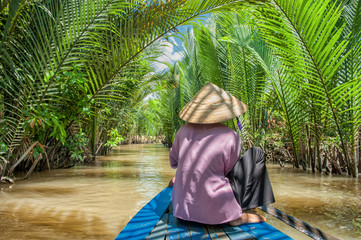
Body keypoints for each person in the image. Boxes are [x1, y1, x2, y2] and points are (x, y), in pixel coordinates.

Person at [168, 83, 275, 226]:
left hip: (182, 212)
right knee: (257, 154)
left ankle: (235, 211)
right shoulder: (231, 135)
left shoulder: (182, 131)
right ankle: (240, 214)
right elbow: (228, 171)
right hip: (218, 214)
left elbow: (174, 161)